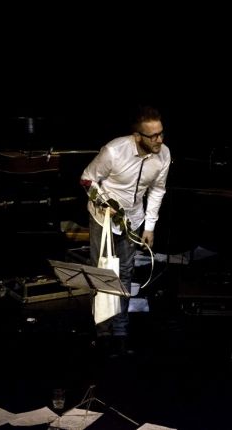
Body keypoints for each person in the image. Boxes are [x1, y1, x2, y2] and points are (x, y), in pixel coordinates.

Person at [80, 106, 171, 358]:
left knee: (125, 272)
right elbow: (87, 179)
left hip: (133, 219)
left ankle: (120, 331)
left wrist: (149, 226)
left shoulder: (163, 154)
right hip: (103, 219)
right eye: (153, 136)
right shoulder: (114, 151)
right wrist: (103, 203)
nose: (159, 140)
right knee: (102, 272)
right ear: (137, 136)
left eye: (161, 133)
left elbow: (157, 190)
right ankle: (103, 332)